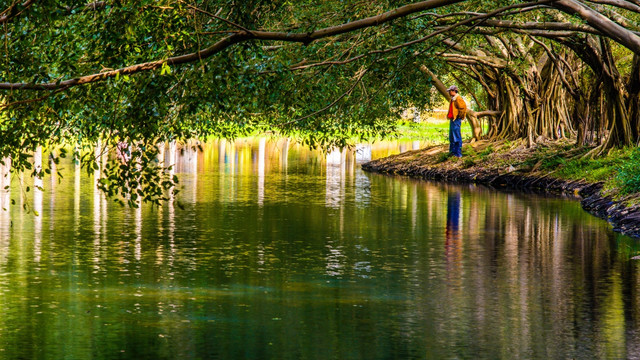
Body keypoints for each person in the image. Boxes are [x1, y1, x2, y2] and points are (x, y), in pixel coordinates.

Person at [446, 85, 466, 158]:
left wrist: (459, 116)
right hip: (452, 119)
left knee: (456, 136)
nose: (449, 93)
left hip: (456, 119)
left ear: (454, 91)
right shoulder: (453, 99)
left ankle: (458, 154)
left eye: (450, 91)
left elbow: (463, 108)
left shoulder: (458, 98)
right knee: (451, 136)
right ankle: (452, 153)